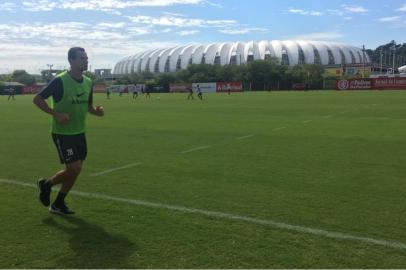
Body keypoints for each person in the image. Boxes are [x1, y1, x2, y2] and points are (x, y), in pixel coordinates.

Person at [33, 47, 104, 215]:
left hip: (79, 132)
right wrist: (55, 114)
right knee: (72, 169)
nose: (85, 61)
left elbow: (88, 107)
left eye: (86, 58)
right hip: (62, 133)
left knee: (77, 170)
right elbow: (37, 99)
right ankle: (47, 185)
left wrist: (97, 112)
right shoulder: (60, 80)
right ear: (71, 61)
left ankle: (58, 203)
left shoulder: (88, 82)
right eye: (82, 58)